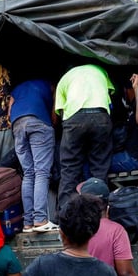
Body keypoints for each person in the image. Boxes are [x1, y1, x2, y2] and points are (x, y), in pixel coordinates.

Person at [55, 63, 115, 203]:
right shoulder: (100, 71)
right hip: (101, 115)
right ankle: (99, 212)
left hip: (74, 118)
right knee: (100, 167)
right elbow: (110, 96)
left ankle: (65, 215)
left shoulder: (64, 79)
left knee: (69, 169)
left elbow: (60, 112)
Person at [8, 79, 57, 232]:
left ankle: (28, 222)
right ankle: (41, 220)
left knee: (28, 174)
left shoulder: (17, 89)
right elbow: (54, 115)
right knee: (41, 172)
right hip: (38, 122)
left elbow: (9, 113)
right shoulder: (50, 86)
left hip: (17, 124)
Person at [109, 73, 138, 173]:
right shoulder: (130, 109)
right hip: (129, 156)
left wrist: (136, 88)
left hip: (133, 159)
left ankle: (93, 189)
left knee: (91, 165)